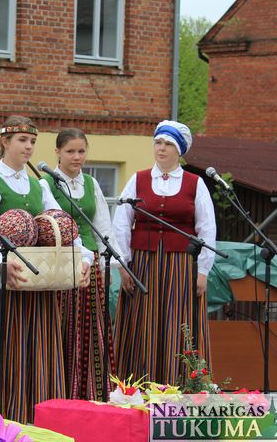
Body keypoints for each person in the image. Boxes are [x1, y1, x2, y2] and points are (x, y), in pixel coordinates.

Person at [0, 116, 93, 424]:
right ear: (5, 142)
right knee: (1, 352)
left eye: (32, 141)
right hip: (2, 282)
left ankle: (33, 420)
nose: (29, 146)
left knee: (37, 353)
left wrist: (82, 258)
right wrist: (2, 264)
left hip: (37, 282)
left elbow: (61, 227)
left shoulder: (38, 185)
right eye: (22, 140)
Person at [112, 120, 216, 385]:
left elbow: (207, 228)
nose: (161, 148)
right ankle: (137, 384)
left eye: (168, 144)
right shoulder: (138, 179)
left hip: (180, 264)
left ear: (178, 150)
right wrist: (123, 264)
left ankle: (178, 383)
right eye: (158, 142)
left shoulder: (195, 183)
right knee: (142, 321)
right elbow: (122, 222)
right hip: (143, 262)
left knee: (177, 321)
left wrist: (203, 271)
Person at [38, 127, 120, 400]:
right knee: (64, 323)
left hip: (89, 262)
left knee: (89, 327)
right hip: (61, 261)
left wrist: (107, 263)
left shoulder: (91, 183)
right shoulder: (46, 184)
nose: (77, 157)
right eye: (70, 151)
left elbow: (102, 226)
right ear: (57, 152)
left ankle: (89, 391)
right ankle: (60, 388)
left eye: (81, 151)